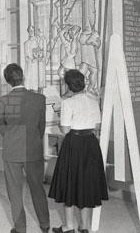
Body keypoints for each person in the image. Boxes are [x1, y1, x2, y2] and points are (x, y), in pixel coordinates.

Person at [49, 69, 108, 233]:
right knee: (86, 183)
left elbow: (65, 129)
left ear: (68, 86)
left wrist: (60, 122)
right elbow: (97, 125)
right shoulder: (93, 101)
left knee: (69, 182)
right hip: (90, 144)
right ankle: (84, 227)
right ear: (83, 82)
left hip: (73, 144)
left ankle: (68, 226)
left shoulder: (67, 103)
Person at [0, 63, 50, 233]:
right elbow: (41, 126)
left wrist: (13, 138)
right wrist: (33, 140)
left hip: (12, 150)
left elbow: (2, 128)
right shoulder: (39, 99)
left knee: (14, 191)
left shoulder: (1, 101)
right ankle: (45, 224)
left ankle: (20, 228)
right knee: (37, 188)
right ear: (23, 77)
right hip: (33, 149)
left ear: (7, 81)